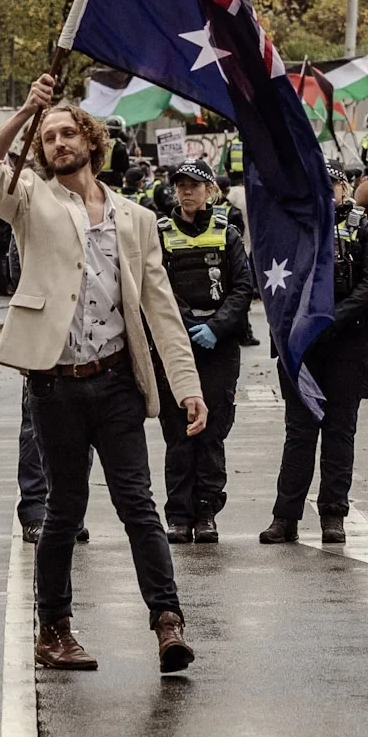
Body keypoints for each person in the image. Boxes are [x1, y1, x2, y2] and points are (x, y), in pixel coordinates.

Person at [0, 75, 206, 674]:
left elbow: (160, 308)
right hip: (55, 382)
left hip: (117, 381)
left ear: (90, 140)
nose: (56, 143)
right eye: (48, 137)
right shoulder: (30, 197)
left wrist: (187, 387)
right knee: (65, 509)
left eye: (66, 132)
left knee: (138, 505)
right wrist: (27, 110)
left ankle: (167, 622)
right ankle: (54, 629)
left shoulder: (135, 218)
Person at [260, 168, 368, 546]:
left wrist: (331, 318)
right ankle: (285, 517)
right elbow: (272, 281)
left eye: (330, 185)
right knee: (298, 433)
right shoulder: (291, 229)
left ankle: (333, 515)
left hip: (349, 342)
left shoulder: (365, 230)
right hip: (301, 346)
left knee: (339, 430)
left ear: (345, 189)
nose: (323, 192)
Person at [148, 161, 253, 545]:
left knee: (212, 430)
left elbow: (243, 287)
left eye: (194, 185)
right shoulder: (159, 232)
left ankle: (206, 510)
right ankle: (177, 513)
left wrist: (215, 327)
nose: (186, 192)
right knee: (178, 432)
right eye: (180, 186)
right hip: (174, 341)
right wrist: (187, 323)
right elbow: (156, 285)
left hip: (218, 343)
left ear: (210, 190)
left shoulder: (228, 233)